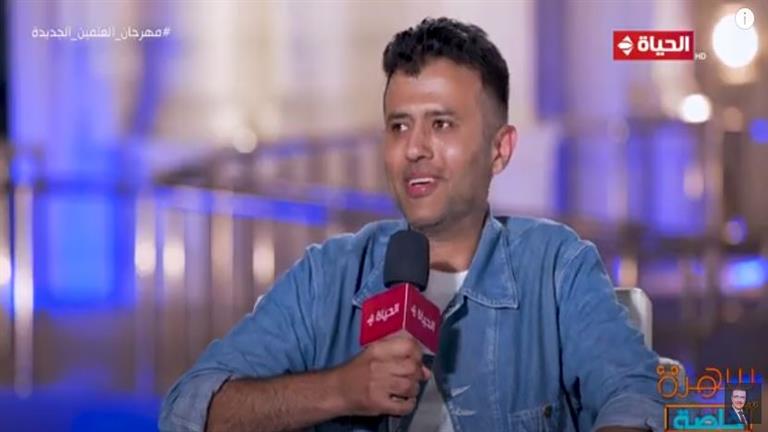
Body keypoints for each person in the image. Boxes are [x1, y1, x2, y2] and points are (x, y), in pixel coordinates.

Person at [160, 17, 664, 432]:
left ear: (500, 149)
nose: (414, 148)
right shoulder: (327, 277)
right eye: (399, 126)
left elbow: (634, 396)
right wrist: (340, 389)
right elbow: (189, 411)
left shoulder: (556, 267)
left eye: (441, 124)